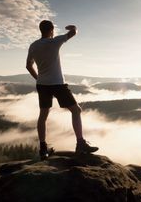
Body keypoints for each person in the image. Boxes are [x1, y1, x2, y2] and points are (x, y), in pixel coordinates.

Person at [26, 20, 98, 160]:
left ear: (40, 30)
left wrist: (38, 78)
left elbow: (28, 65)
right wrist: (73, 27)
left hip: (42, 84)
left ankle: (43, 148)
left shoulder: (33, 46)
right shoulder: (54, 42)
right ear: (51, 30)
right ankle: (80, 143)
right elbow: (73, 33)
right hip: (58, 83)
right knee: (76, 110)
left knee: (43, 115)